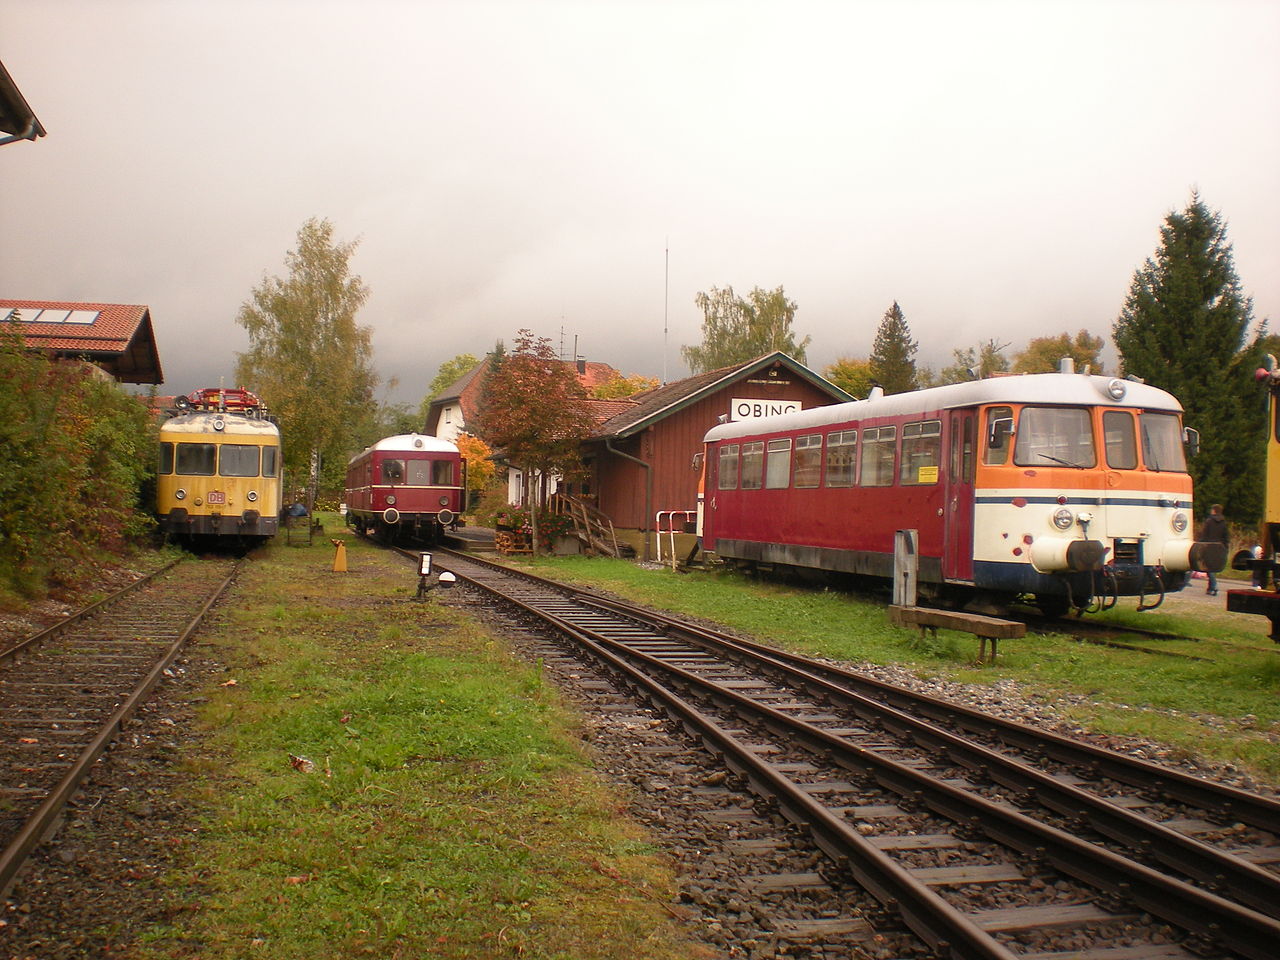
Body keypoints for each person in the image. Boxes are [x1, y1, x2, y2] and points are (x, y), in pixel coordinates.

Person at [1200, 504, 1229, 595]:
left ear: (1214, 511)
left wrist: (1201, 544)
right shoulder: (1224, 523)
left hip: (1209, 546)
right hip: (1220, 547)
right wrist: (1225, 547)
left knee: (1208, 567)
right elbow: (1226, 537)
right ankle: (1210, 587)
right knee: (1213, 567)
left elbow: (1205, 535)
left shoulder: (1209, 521)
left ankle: (1213, 586)